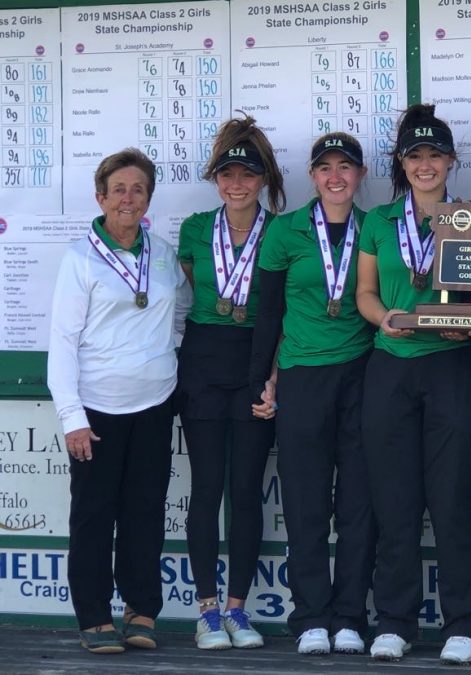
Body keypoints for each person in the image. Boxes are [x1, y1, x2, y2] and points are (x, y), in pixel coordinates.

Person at [355, 104, 471, 665]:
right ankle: (394, 619)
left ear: (451, 161)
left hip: (452, 365)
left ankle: (463, 623)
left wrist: (466, 324)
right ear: (402, 164)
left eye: (435, 155)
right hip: (390, 364)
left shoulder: (470, 217)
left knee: (452, 496)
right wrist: (382, 317)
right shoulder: (379, 221)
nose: (426, 165)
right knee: (394, 498)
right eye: (416, 156)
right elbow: (364, 293)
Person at [47, 148, 191, 654]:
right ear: (101, 197)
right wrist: (72, 418)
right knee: (93, 514)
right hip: (97, 410)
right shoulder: (79, 258)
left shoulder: (164, 253)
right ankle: (93, 615)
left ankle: (141, 610)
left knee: (145, 512)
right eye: (120, 189)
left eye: (138, 189)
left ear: (149, 197)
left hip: (154, 404)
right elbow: (62, 343)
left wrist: (158, 359)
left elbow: (180, 314)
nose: (129, 198)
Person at [248, 132, 377, 656]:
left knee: (357, 505)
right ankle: (309, 617)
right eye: (325, 167)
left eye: (346, 166)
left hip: (363, 374)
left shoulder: (378, 228)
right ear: (312, 175)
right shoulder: (285, 231)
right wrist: (264, 378)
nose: (336, 176)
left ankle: (349, 615)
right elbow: (269, 313)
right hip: (302, 375)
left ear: (361, 175)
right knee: (304, 503)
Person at [175, 115, 285, 650]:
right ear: (216, 179)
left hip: (254, 364)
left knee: (245, 490)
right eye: (227, 175)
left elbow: (283, 313)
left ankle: (238, 609)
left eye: (247, 174)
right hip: (201, 362)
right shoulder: (196, 228)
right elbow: (195, 285)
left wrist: (272, 378)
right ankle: (206, 610)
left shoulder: (280, 231)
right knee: (206, 489)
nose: (236, 184)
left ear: (262, 179)